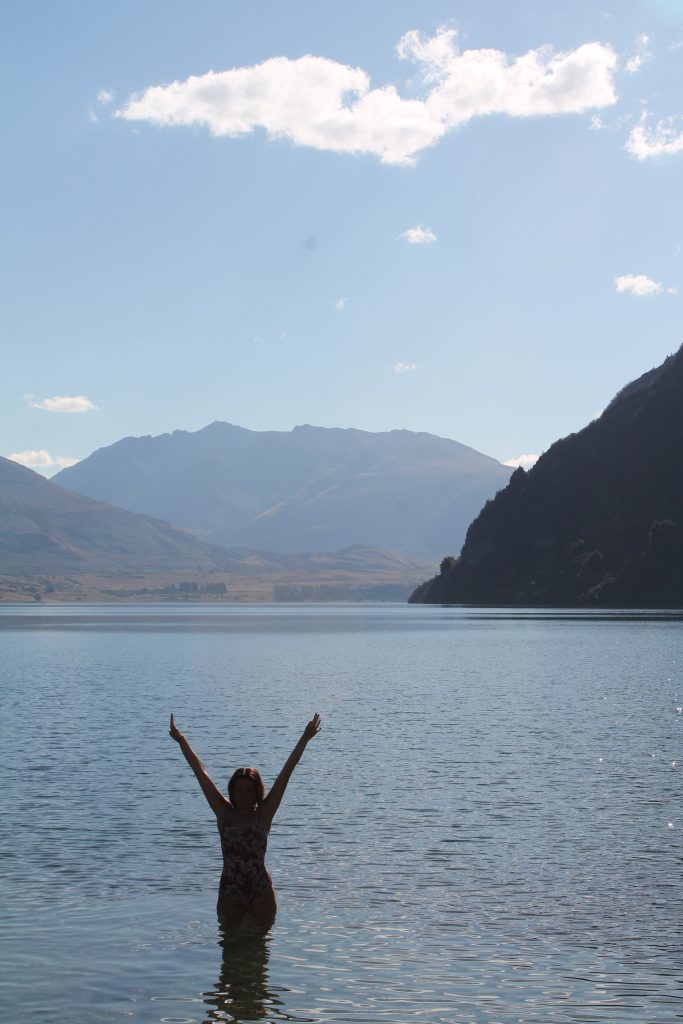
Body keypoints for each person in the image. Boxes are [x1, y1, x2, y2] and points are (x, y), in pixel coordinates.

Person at [169, 712, 321, 923]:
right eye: (239, 789)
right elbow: (200, 772)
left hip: (261, 892)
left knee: (259, 952)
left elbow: (287, 771)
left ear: (257, 791)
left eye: (249, 790)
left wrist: (304, 738)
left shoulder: (264, 814)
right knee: (231, 952)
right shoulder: (223, 813)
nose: (244, 794)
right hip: (230, 893)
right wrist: (181, 740)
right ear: (232, 791)